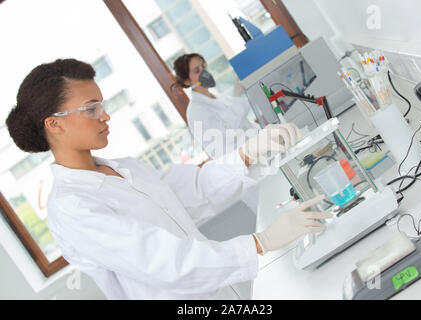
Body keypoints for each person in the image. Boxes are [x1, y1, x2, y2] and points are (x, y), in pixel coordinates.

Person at [6, 58, 331, 300]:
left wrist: (250, 151)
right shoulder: (73, 208)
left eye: (102, 105)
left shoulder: (126, 168)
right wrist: (262, 242)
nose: (105, 115)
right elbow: (167, 264)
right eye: (91, 109)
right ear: (55, 124)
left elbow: (196, 191)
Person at [173, 53, 260, 212]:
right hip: (245, 169)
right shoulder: (196, 110)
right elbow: (227, 133)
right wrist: (236, 95)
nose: (204, 72)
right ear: (187, 81)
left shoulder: (216, 97)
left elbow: (240, 121)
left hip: (256, 157)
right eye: (196, 70)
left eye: (203, 66)